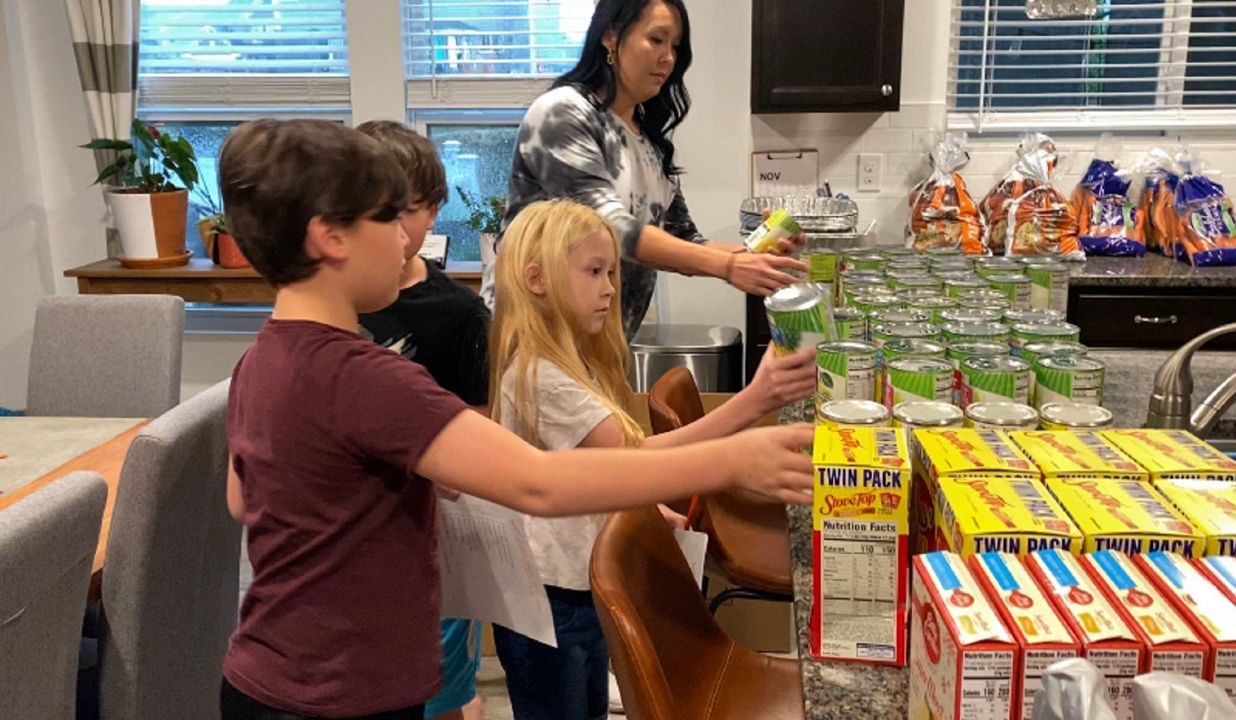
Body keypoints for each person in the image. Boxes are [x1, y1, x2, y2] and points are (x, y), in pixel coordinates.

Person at [217, 118, 813, 720]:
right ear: (330, 237)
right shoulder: (371, 380)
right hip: (342, 693)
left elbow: (244, 500)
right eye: (389, 217)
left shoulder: (258, 361)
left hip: (264, 677)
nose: (406, 241)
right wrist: (736, 456)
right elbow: (541, 483)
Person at [488, 199, 817, 720]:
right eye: (595, 272)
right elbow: (634, 461)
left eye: (612, 272)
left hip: (575, 582)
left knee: (587, 703)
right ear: (536, 279)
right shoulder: (540, 376)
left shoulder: (572, 362)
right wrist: (752, 403)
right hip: (549, 596)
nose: (610, 288)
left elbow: (595, 478)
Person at [482, 0, 806, 337]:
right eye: (656, 39)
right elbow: (609, 230)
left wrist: (758, 254)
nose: (668, 57)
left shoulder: (647, 137)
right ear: (610, 36)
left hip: (601, 342)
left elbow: (684, 238)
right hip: (533, 335)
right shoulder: (563, 113)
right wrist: (729, 266)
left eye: (675, 46)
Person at [354, 120, 487, 720]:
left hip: (432, 548)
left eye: (430, 207)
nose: (426, 222)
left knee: (440, 694)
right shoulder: (327, 315)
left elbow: (479, 447)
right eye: (410, 208)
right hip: (354, 562)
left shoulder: (457, 314)